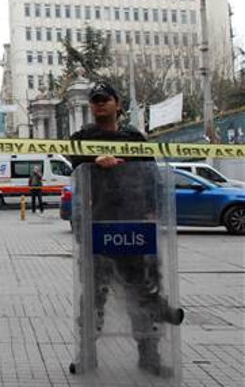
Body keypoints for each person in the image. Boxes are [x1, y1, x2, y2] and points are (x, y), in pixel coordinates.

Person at [68, 82, 185, 376]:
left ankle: (150, 354)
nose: (99, 105)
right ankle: (88, 355)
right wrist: (94, 160)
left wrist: (155, 206)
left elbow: (151, 173)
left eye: (105, 99)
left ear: (118, 104)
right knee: (94, 295)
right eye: (94, 101)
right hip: (99, 222)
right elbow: (74, 161)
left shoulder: (134, 137)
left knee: (141, 288)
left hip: (133, 223)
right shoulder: (82, 138)